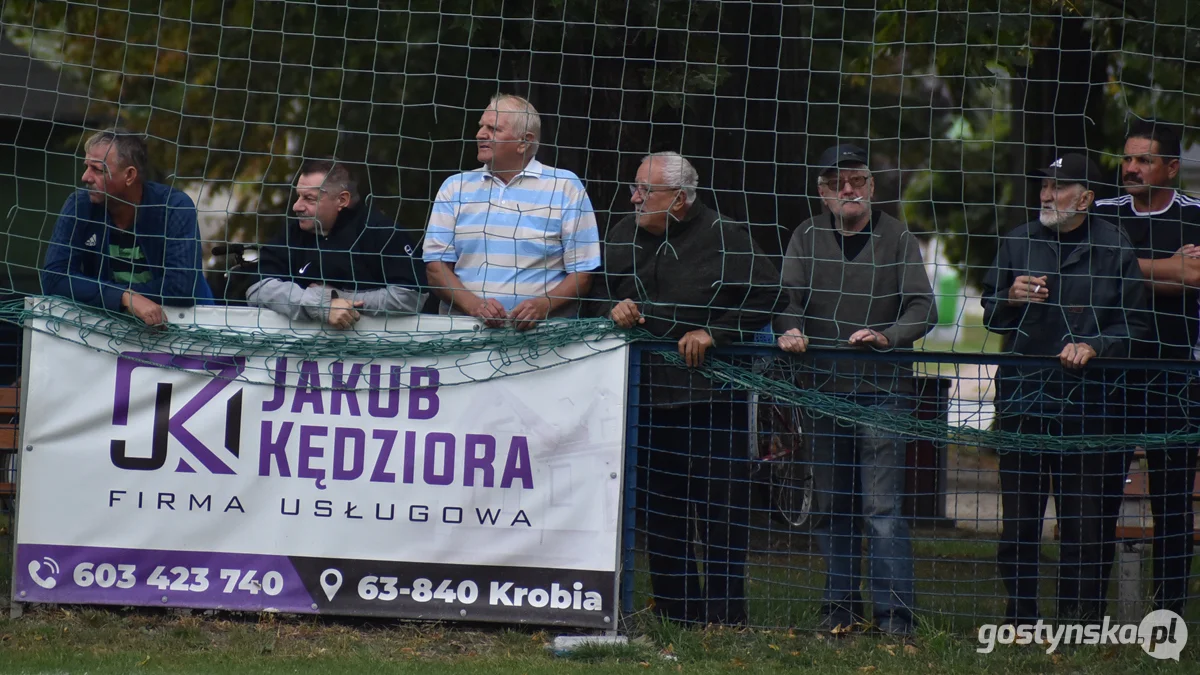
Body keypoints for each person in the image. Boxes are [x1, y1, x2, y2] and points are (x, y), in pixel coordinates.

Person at [590, 151, 781, 625]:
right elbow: (592, 292)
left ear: (678, 199)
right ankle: (676, 614)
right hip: (645, 398)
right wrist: (611, 309)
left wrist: (714, 332)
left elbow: (769, 294)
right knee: (661, 512)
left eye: (642, 190)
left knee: (722, 512)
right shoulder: (620, 235)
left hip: (711, 399)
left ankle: (724, 616)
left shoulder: (725, 235)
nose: (632, 197)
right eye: (634, 187)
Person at [774, 143, 936, 636]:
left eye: (858, 180)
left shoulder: (898, 237)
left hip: (882, 389)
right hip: (821, 388)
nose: (849, 189)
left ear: (872, 187)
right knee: (830, 506)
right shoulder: (805, 235)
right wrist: (790, 328)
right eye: (837, 182)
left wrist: (887, 337)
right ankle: (839, 611)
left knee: (882, 510)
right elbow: (787, 298)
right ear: (823, 193)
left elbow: (922, 308)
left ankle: (894, 620)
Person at [983, 153, 1150, 624]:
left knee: (1084, 523)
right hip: (1023, 402)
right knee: (1019, 523)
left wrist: (1095, 346)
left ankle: (1081, 622)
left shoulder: (1114, 248)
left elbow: (1137, 329)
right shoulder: (1017, 242)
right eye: (1043, 186)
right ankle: (1021, 617)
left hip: (1090, 406)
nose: (1046, 196)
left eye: (1058, 188)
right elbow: (991, 313)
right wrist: (1009, 298)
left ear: (1087, 198)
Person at [1092, 121, 1200, 615]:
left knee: (1173, 504)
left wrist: (1123, 267)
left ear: (1172, 168)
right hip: (1109, 371)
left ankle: (1168, 616)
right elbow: (1088, 275)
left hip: (1178, 375)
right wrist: (1167, 268)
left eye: (1144, 160)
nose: (1130, 168)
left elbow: (1194, 276)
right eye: (1127, 158)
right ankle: (1085, 612)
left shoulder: (1196, 216)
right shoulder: (1101, 212)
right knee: (1096, 498)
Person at [422, 94, 600, 330]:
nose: (480, 134)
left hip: (545, 341)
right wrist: (475, 306)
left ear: (524, 142)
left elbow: (583, 273)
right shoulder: (455, 187)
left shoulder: (565, 186)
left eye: (493, 129)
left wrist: (542, 305)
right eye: (481, 127)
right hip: (464, 338)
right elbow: (436, 268)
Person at [41, 128, 213, 325]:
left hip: (188, 328)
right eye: (86, 166)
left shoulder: (174, 207)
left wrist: (106, 295)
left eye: (98, 169)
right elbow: (53, 278)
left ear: (129, 175)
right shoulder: (80, 205)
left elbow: (181, 288)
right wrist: (123, 297)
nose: (85, 177)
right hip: (112, 327)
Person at [246, 159, 425, 329]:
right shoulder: (292, 232)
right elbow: (257, 288)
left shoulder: (380, 231)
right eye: (298, 196)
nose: (296, 206)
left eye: (309, 198)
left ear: (342, 200)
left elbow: (410, 296)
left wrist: (340, 299)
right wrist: (321, 305)